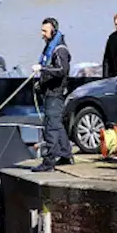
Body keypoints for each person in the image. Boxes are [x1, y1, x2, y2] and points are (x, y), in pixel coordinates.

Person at [32, 17, 73, 171]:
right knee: (58, 124)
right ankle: (65, 154)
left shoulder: (60, 50)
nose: (42, 34)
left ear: (53, 31)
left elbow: (62, 70)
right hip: (49, 90)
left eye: (45, 31)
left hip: (55, 93)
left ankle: (49, 162)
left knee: (50, 127)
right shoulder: (50, 46)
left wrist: (42, 69)